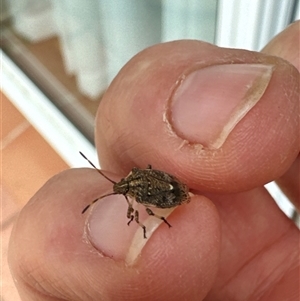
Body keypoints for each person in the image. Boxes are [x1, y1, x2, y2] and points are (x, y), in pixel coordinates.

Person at [8, 21, 299, 301]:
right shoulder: (136, 184)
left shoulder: (136, 187)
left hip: (175, 191)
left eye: (121, 188)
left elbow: (152, 189)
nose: (120, 188)